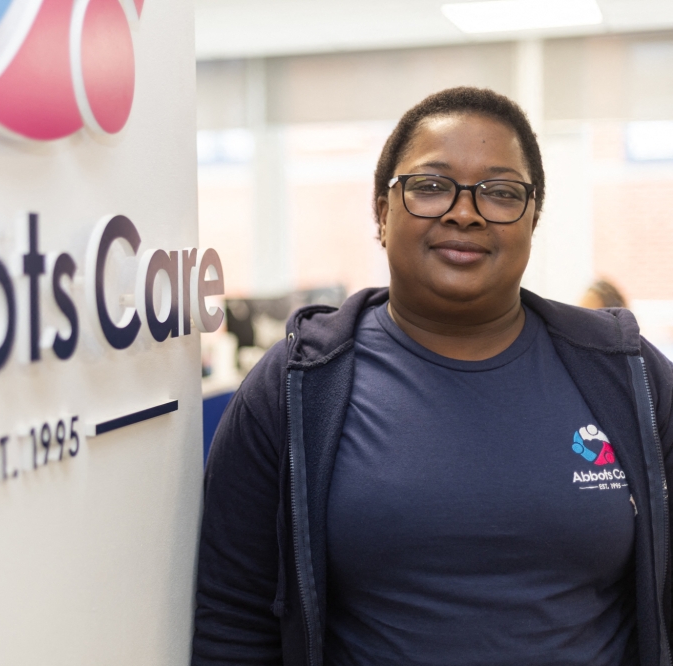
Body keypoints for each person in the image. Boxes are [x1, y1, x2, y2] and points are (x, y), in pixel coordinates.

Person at [192, 86, 673, 666]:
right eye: (429, 185)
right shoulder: (296, 386)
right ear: (380, 210)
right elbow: (232, 621)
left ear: (533, 216)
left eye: (499, 192)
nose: (463, 212)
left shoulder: (627, 374)